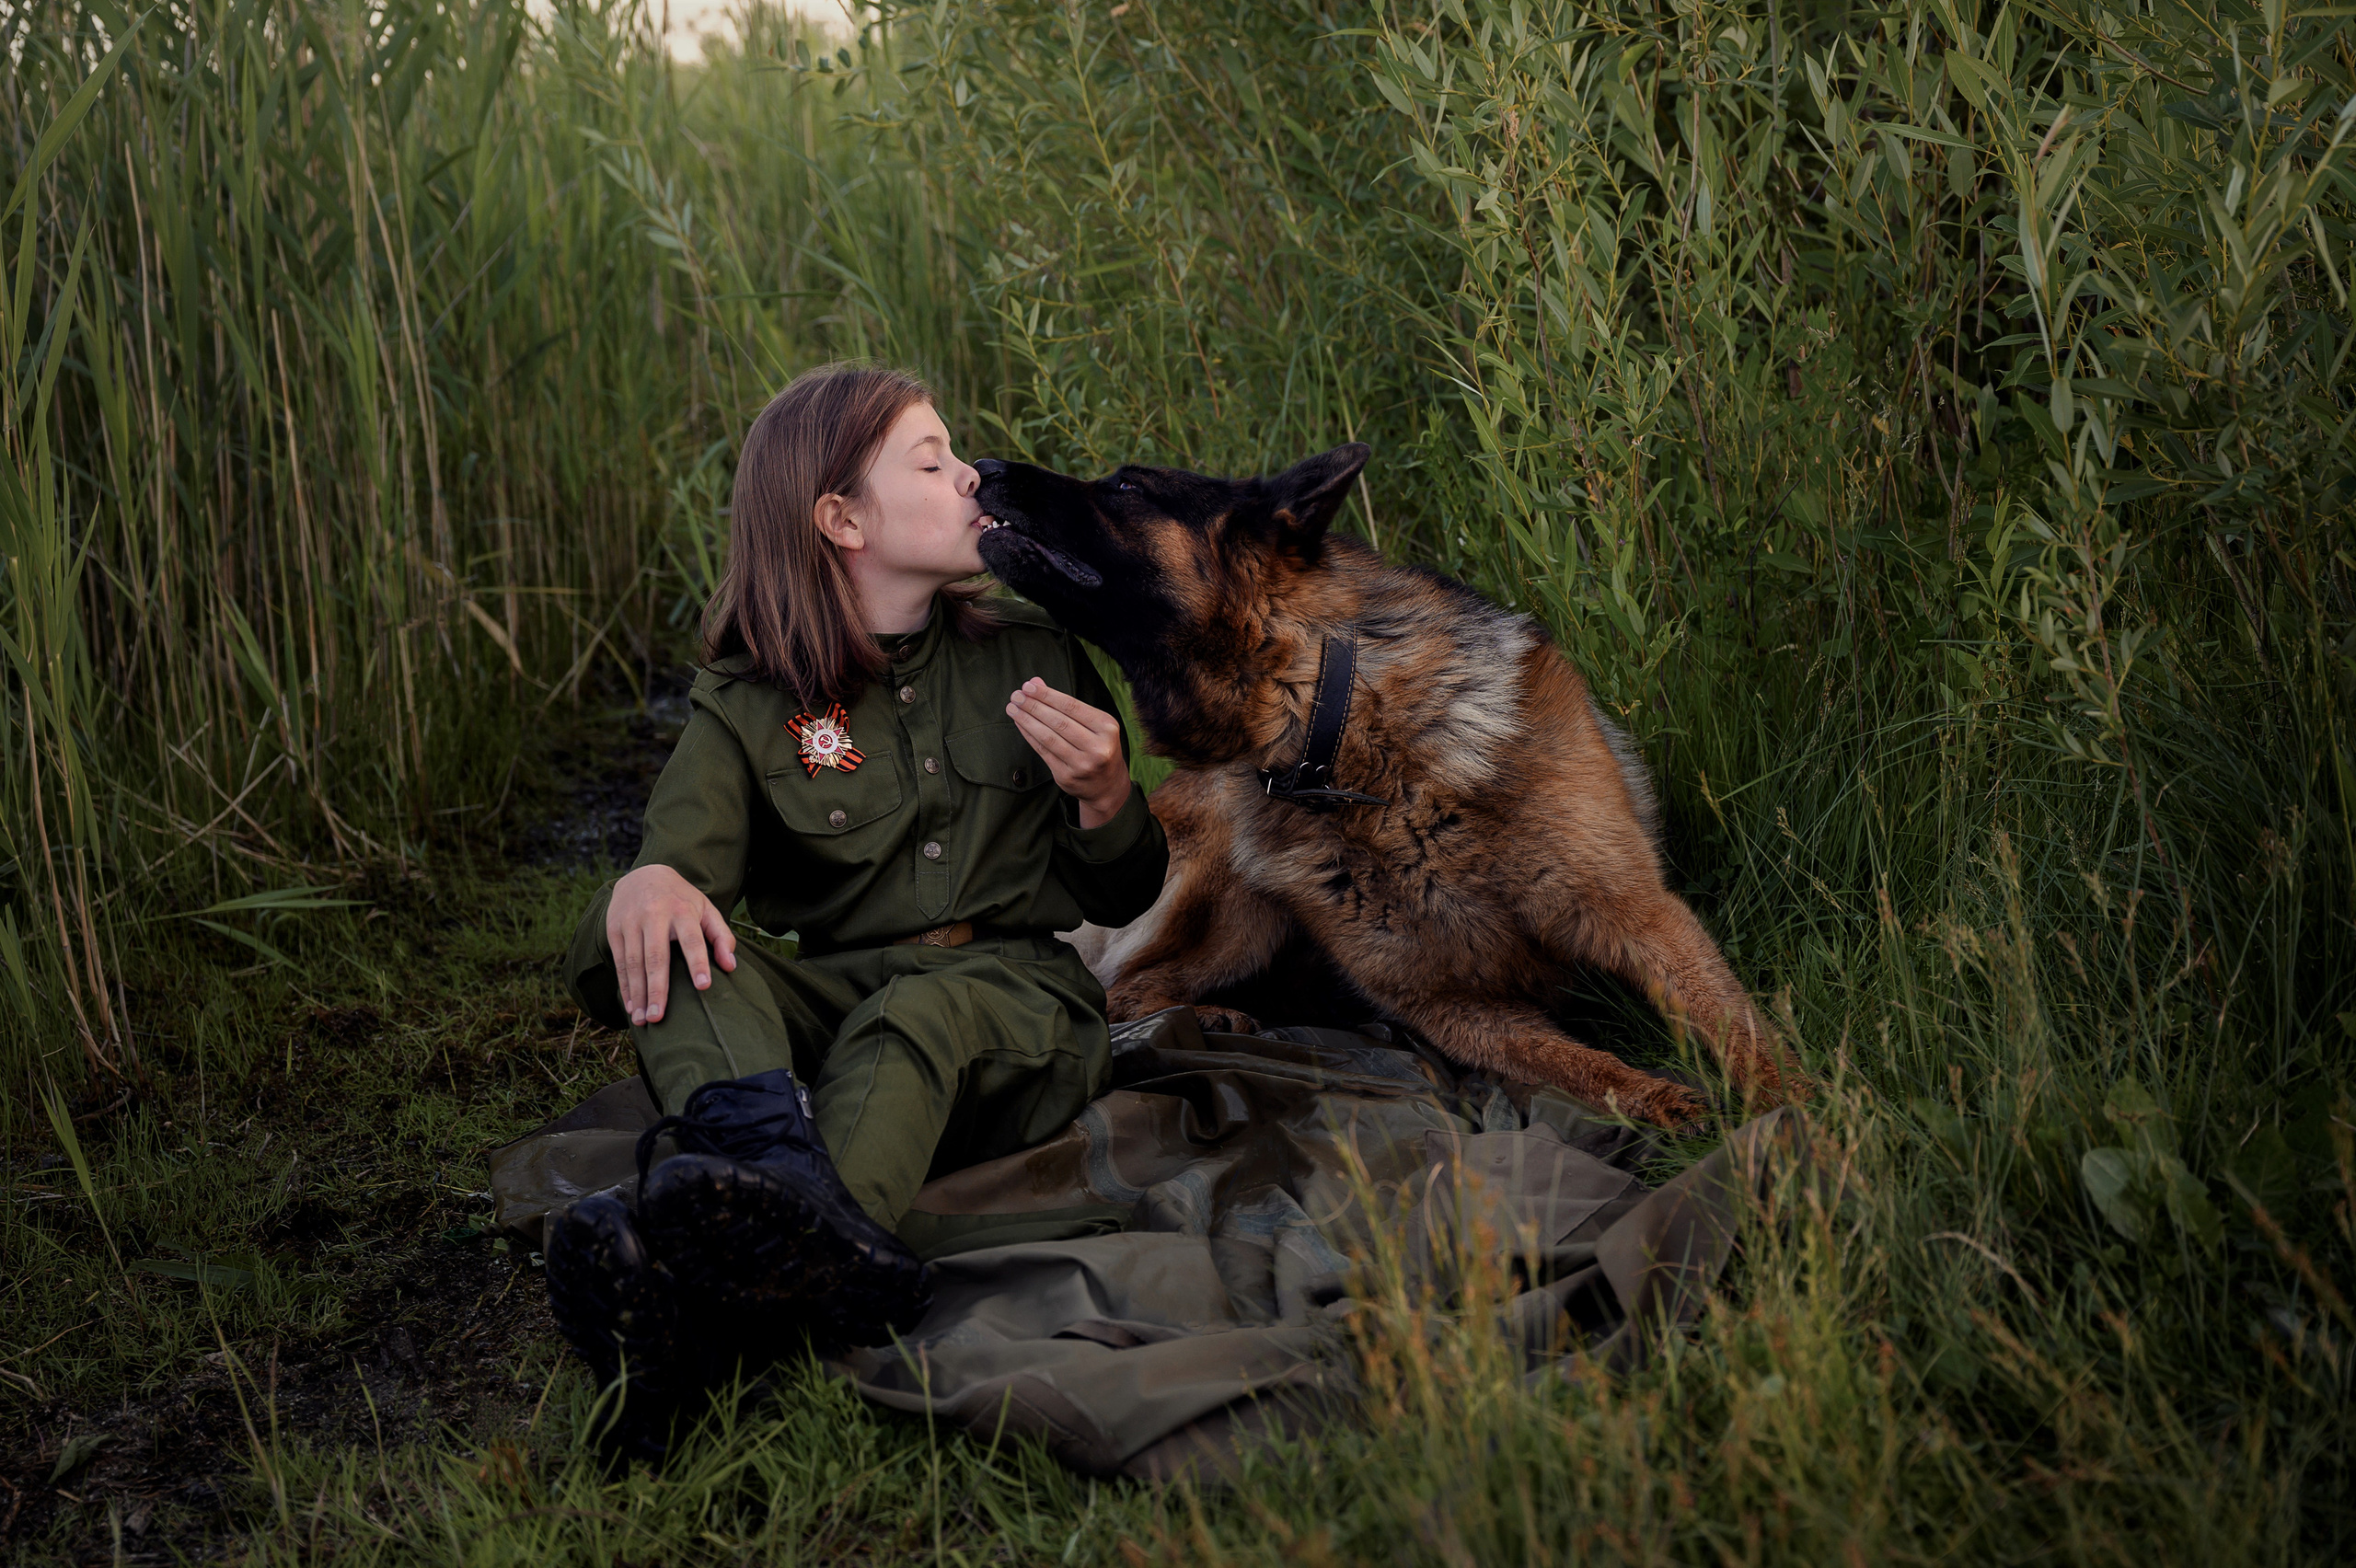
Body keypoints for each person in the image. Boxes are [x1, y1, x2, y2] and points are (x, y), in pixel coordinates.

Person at [544, 363, 1169, 1457]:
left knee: (913, 1015)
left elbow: (1122, 893)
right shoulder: (751, 701)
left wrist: (1107, 796)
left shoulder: (1032, 652)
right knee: (692, 949)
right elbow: (629, 946)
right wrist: (643, 886)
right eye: (931, 462)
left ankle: (695, 1312)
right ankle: (788, 1202)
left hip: (1015, 1008)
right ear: (841, 519)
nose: (969, 475)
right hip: (838, 998)